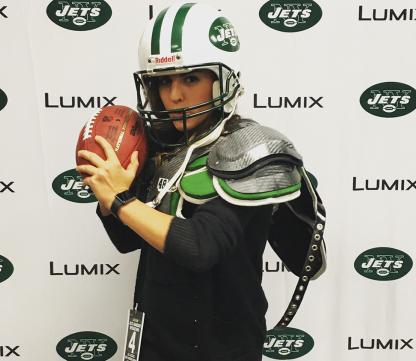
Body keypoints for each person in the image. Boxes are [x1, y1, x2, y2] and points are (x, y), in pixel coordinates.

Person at [76, 3, 326, 361]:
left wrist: (120, 199)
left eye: (190, 78)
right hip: (159, 341)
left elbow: (200, 248)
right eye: (164, 81)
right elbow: (127, 239)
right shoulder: (164, 148)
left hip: (221, 347)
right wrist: (109, 195)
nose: (174, 95)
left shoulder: (249, 148)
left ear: (223, 80)